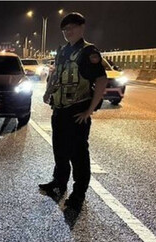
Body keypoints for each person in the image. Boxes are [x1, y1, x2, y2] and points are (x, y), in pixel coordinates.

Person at [39, 12, 108, 211]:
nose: (68, 32)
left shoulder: (88, 52)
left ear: (82, 27)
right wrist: (47, 91)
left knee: (78, 155)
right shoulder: (62, 51)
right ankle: (59, 184)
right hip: (59, 109)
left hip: (77, 110)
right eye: (65, 29)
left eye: (72, 28)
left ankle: (78, 194)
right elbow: (55, 73)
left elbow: (101, 80)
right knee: (59, 151)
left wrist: (90, 109)